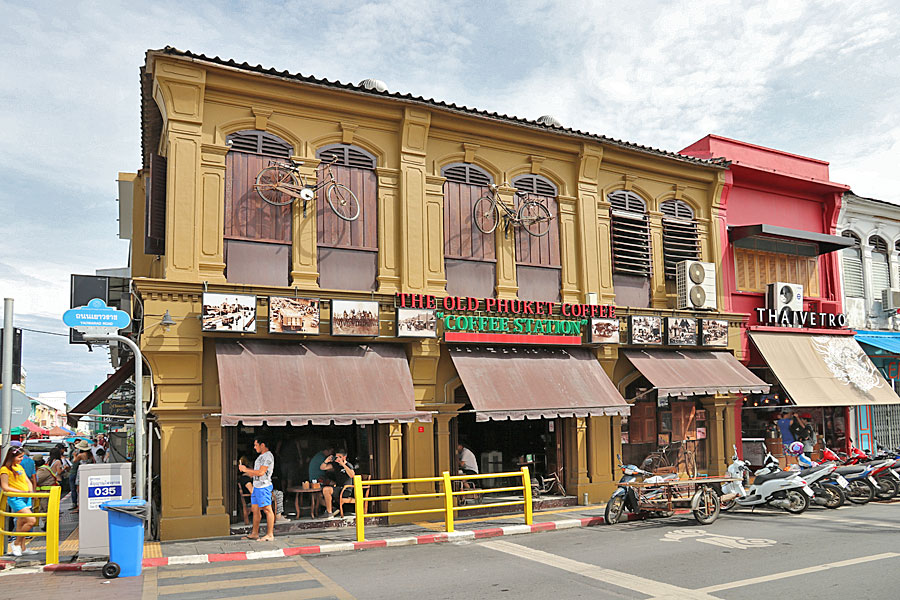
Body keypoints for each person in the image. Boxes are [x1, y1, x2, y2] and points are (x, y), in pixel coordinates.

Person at [0, 446, 38, 556]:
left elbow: (27, 480)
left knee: (21, 522)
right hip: (16, 498)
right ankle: (16, 543)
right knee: (31, 520)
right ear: (12, 457)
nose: (21, 459)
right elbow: (5, 486)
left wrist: (30, 492)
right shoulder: (4, 470)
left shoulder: (19, 467)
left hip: (26, 497)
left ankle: (23, 547)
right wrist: (22, 492)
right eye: (19, 457)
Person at [238, 437, 275, 541]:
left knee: (267, 510)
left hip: (263, 487)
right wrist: (246, 470)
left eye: (256, 445)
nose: (254, 447)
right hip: (257, 487)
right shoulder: (260, 457)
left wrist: (246, 469)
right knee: (255, 510)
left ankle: (270, 534)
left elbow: (261, 472)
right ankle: (255, 533)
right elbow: (256, 472)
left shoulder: (268, 456)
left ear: (262, 445)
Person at [319, 450, 355, 518]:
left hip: (346, 490)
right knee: (320, 494)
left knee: (326, 490)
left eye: (340, 457)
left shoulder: (348, 465)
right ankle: (331, 509)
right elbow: (322, 468)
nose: (338, 458)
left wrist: (343, 464)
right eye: (336, 457)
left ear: (344, 457)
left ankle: (329, 513)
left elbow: (352, 475)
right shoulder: (335, 465)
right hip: (338, 488)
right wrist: (326, 461)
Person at [68, 440, 93, 511]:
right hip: (88, 471)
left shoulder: (80, 455)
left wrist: (74, 456)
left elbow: (74, 461)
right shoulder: (89, 454)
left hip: (81, 472)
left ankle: (79, 506)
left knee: (79, 490)